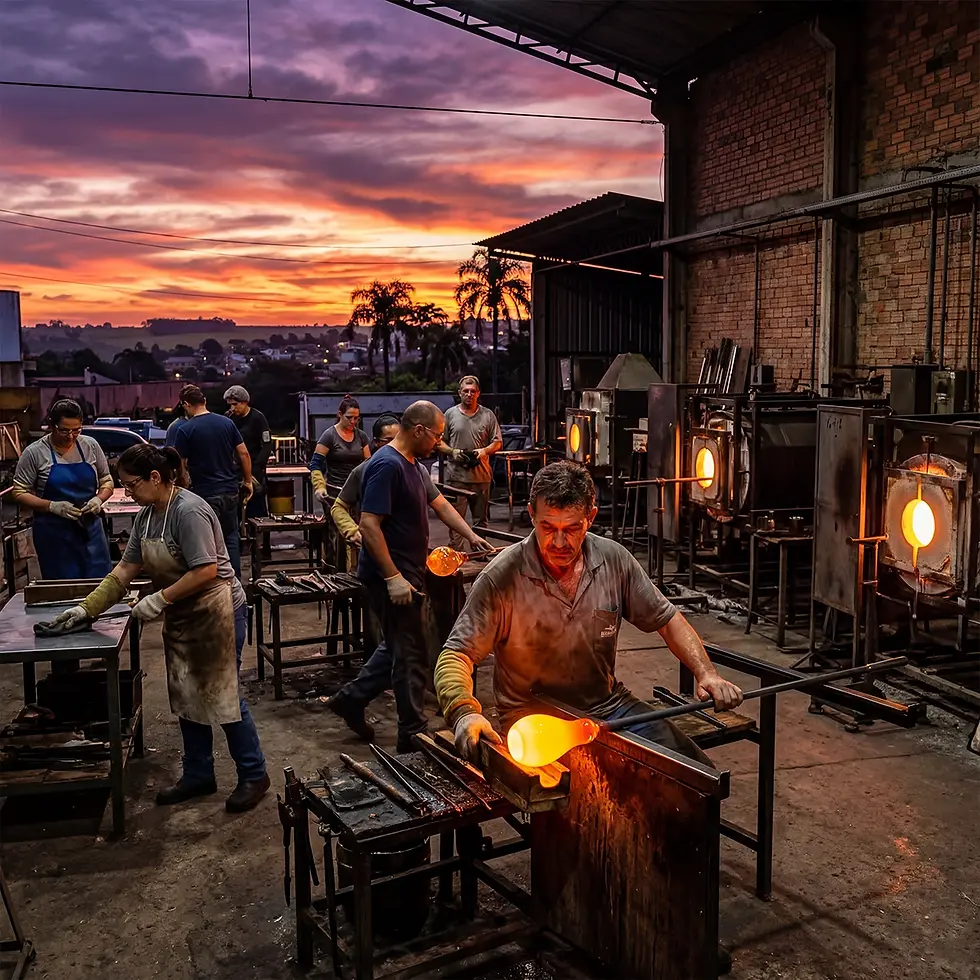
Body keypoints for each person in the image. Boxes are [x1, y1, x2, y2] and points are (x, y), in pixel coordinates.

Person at [434, 460, 744, 763]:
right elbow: (456, 655)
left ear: (591, 517)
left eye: (572, 528)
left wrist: (707, 674)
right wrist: (464, 713)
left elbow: (667, 619)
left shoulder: (613, 560)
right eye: (548, 527)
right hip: (530, 717)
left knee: (693, 774)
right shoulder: (500, 578)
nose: (559, 541)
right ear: (531, 515)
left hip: (608, 706)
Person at [45, 444, 270, 811]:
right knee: (185, 693)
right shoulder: (146, 516)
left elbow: (206, 570)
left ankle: (254, 774)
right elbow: (124, 570)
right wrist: (87, 608)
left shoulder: (190, 510)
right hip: (183, 612)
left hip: (218, 612)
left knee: (223, 696)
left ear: (155, 477)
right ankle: (199, 774)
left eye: (131, 484)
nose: (127, 492)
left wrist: (159, 599)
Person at [329, 401, 492, 751]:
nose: (438, 443)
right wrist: (392, 578)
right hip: (392, 577)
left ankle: (350, 699)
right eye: (436, 436)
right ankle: (411, 734)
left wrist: (472, 535)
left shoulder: (414, 466)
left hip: (410, 573)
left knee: (398, 645)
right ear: (418, 430)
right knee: (411, 655)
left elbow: (441, 505)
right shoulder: (386, 465)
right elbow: (369, 525)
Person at [12, 398, 114, 579]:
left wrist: (98, 499)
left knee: (99, 587)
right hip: (54, 534)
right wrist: (52, 506)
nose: (71, 436)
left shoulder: (90, 445)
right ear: (51, 425)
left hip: (90, 530)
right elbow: (19, 492)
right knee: (62, 589)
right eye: (64, 430)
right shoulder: (35, 453)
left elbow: (106, 480)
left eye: (76, 430)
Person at [172, 384, 252, 578]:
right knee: (231, 537)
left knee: (207, 543)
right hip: (230, 490)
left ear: (185, 404)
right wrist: (248, 481)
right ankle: (235, 583)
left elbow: (180, 466)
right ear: (204, 401)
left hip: (205, 494)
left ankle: (214, 585)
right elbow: (243, 453)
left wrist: (181, 488)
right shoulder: (226, 423)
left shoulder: (185, 429)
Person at [438, 376, 502, 550]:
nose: (469, 394)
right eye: (465, 391)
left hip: (481, 477)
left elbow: (497, 441)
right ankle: (456, 556)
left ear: (478, 393)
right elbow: (439, 442)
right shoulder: (450, 414)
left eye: (472, 391)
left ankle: (480, 554)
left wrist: (483, 451)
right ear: (459, 393)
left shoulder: (488, 415)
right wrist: (454, 452)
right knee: (455, 521)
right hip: (457, 479)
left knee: (481, 522)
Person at [308, 395, 370, 506]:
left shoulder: (362, 436)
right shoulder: (329, 435)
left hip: (357, 492)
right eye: (349, 417)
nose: (353, 421)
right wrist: (319, 486)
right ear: (340, 414)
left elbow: (369, 464)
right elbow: (315, 464)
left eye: (356, 418)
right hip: (335, 491)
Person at [224, 385, 272, 519]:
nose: (232, 408)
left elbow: (267, 445)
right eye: (230, 405)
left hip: (254, 470)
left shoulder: (258, 418)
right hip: (235, 471)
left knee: (257, 509)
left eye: (235, 404)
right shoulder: (229, 419)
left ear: (244, 402)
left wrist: (255, 471)